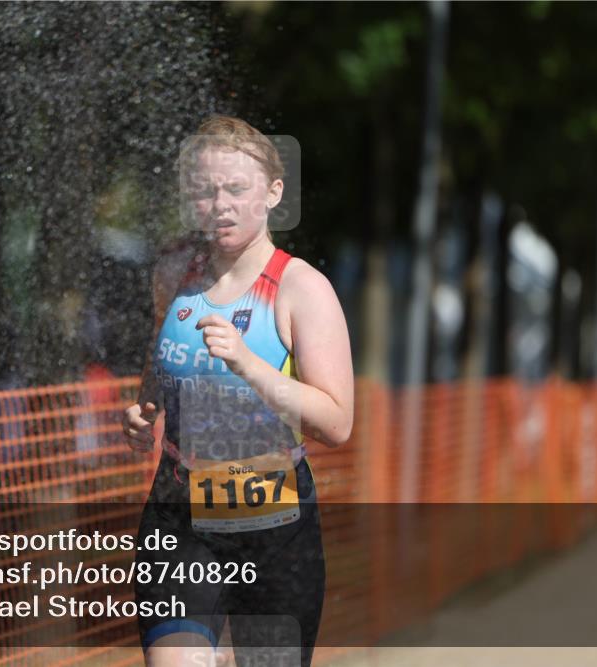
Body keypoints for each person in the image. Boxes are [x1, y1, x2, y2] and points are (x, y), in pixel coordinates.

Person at [122, 115, 353, 667]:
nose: (219, 204)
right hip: (180, 514)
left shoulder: (301, 288)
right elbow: (162, 364)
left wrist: (250, 364)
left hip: (276, 525)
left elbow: (337, 423)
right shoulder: (175, 273)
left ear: (273, 192)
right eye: (204, 191)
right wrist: (141, 412)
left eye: (235, 189)